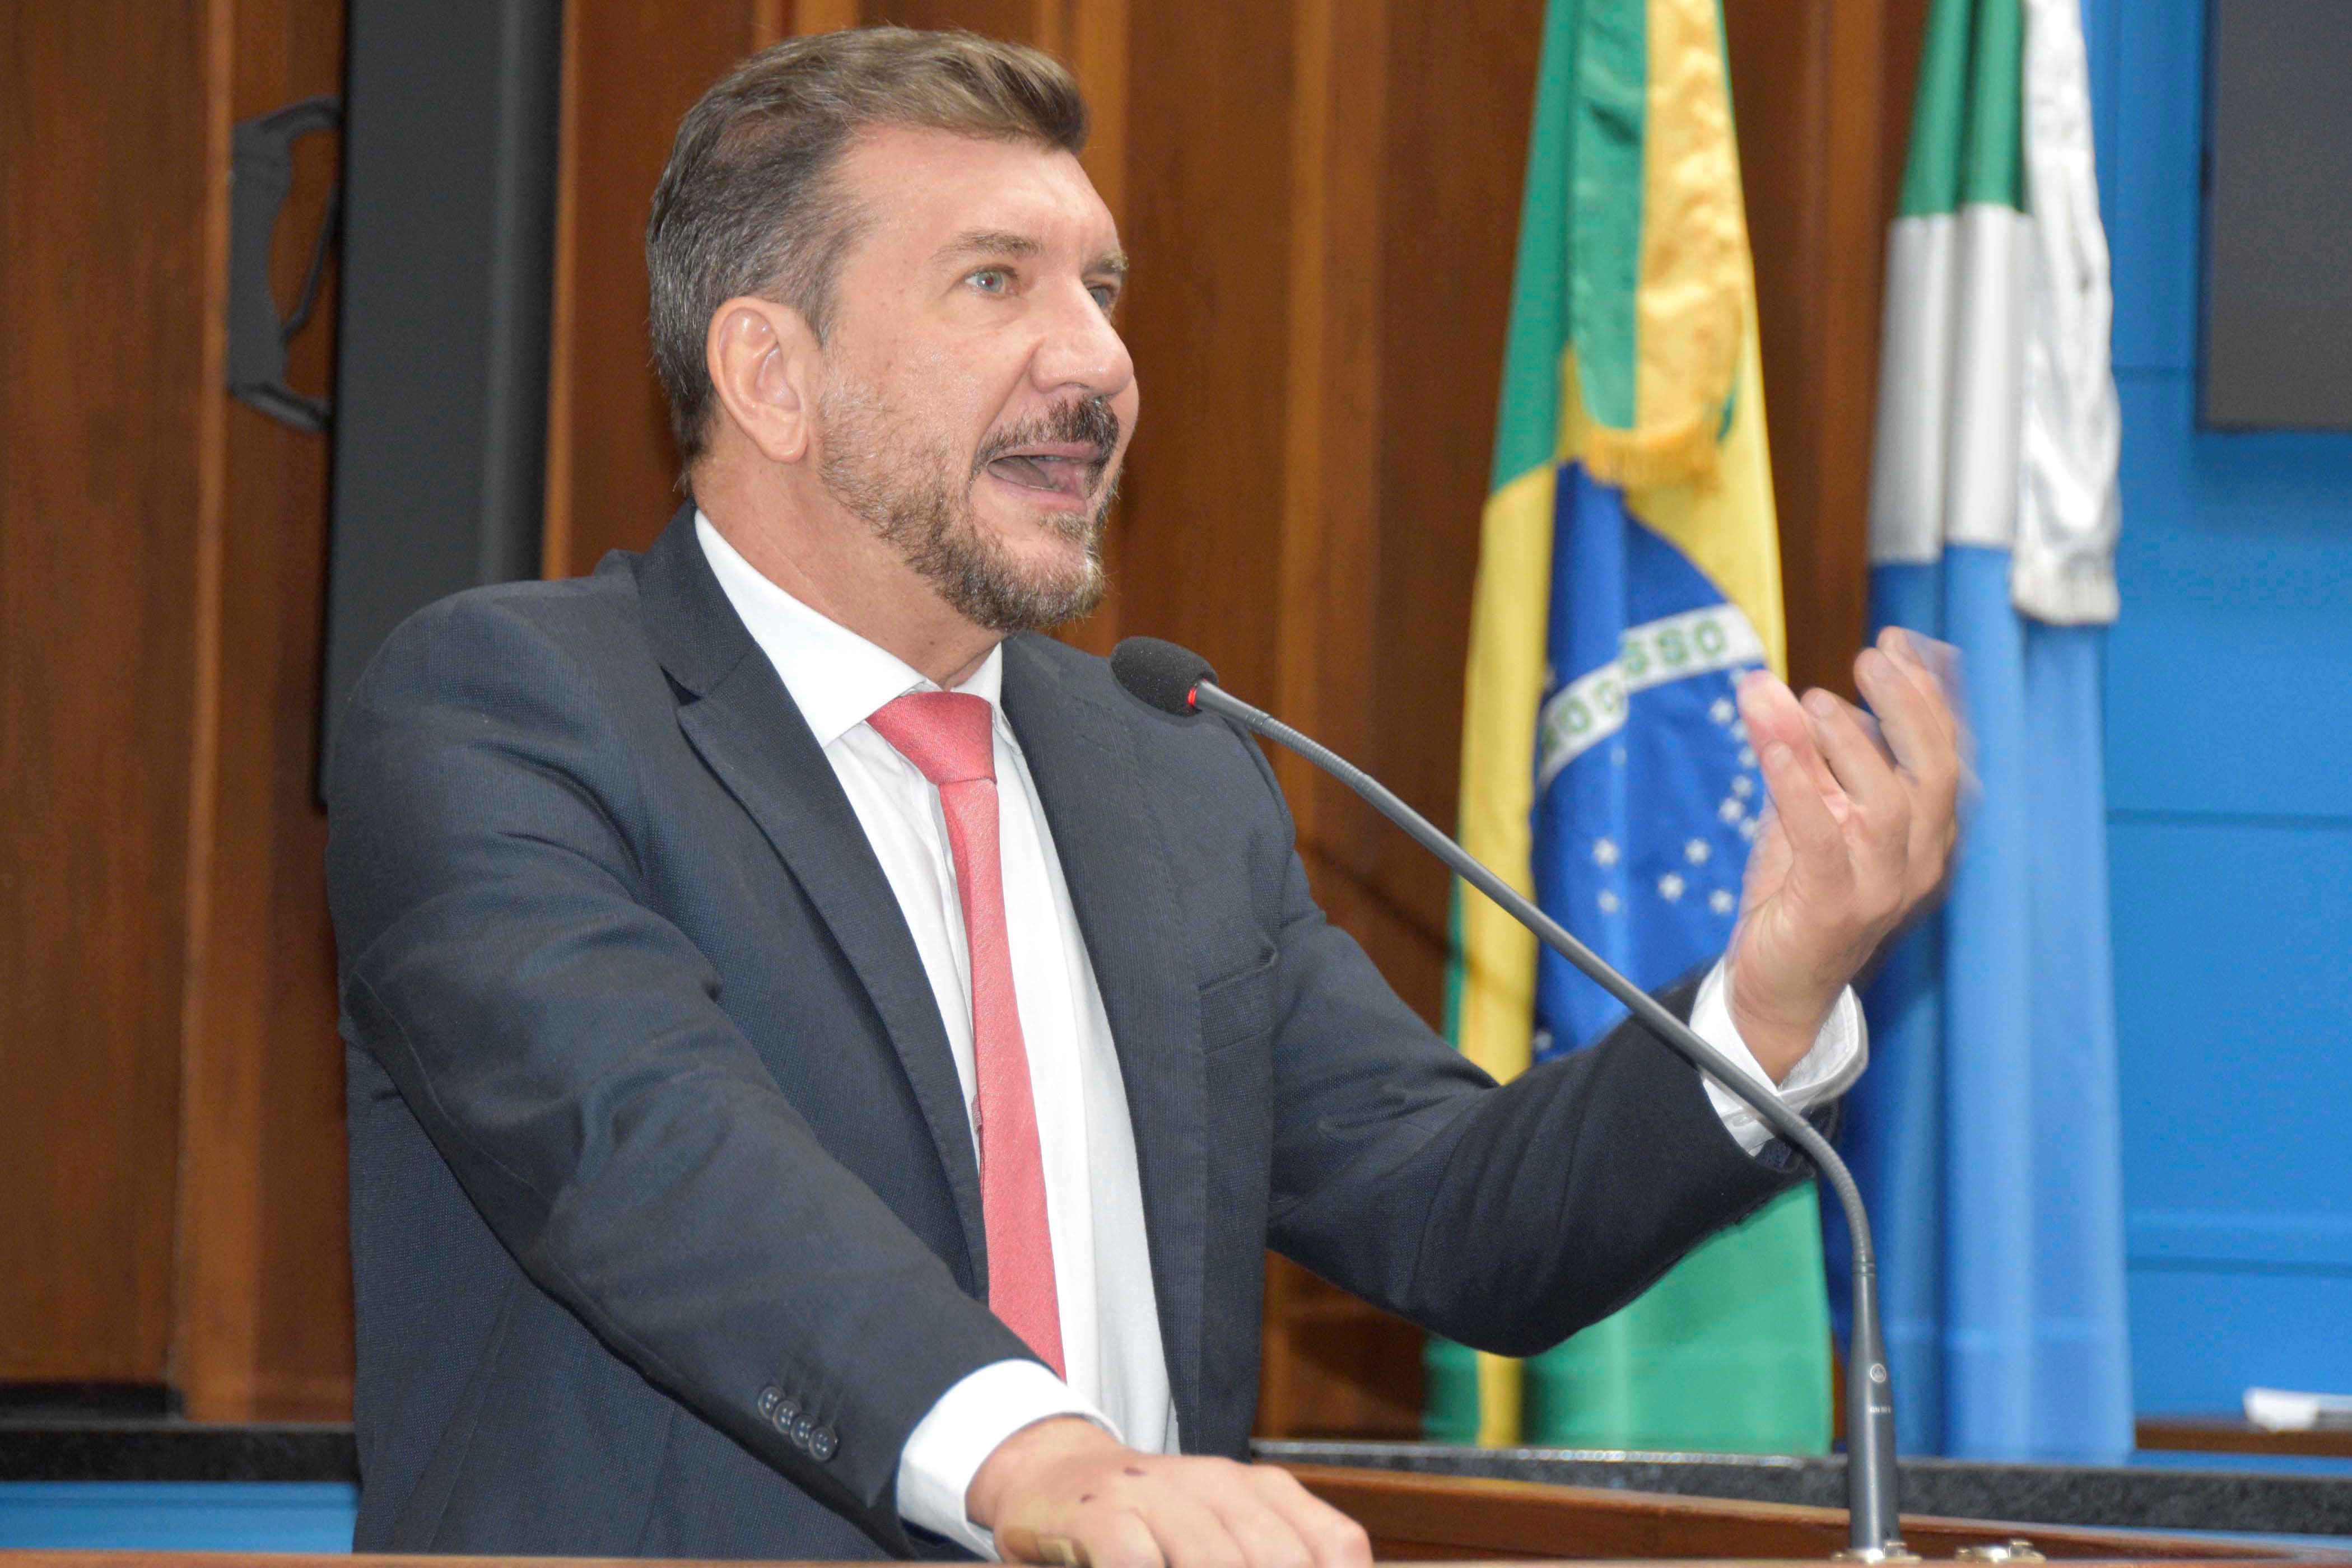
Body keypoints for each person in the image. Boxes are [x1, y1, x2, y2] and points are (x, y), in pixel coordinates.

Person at [326, 26, 1964, 1568]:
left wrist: (1773, 991)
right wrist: (1040, 1461)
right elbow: (655, 1157)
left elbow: (1459, 1217)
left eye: (1102, 290)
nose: (1099, 362)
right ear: (772, 373)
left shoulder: (1166, 771)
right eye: (996, 281)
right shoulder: (512, 713)